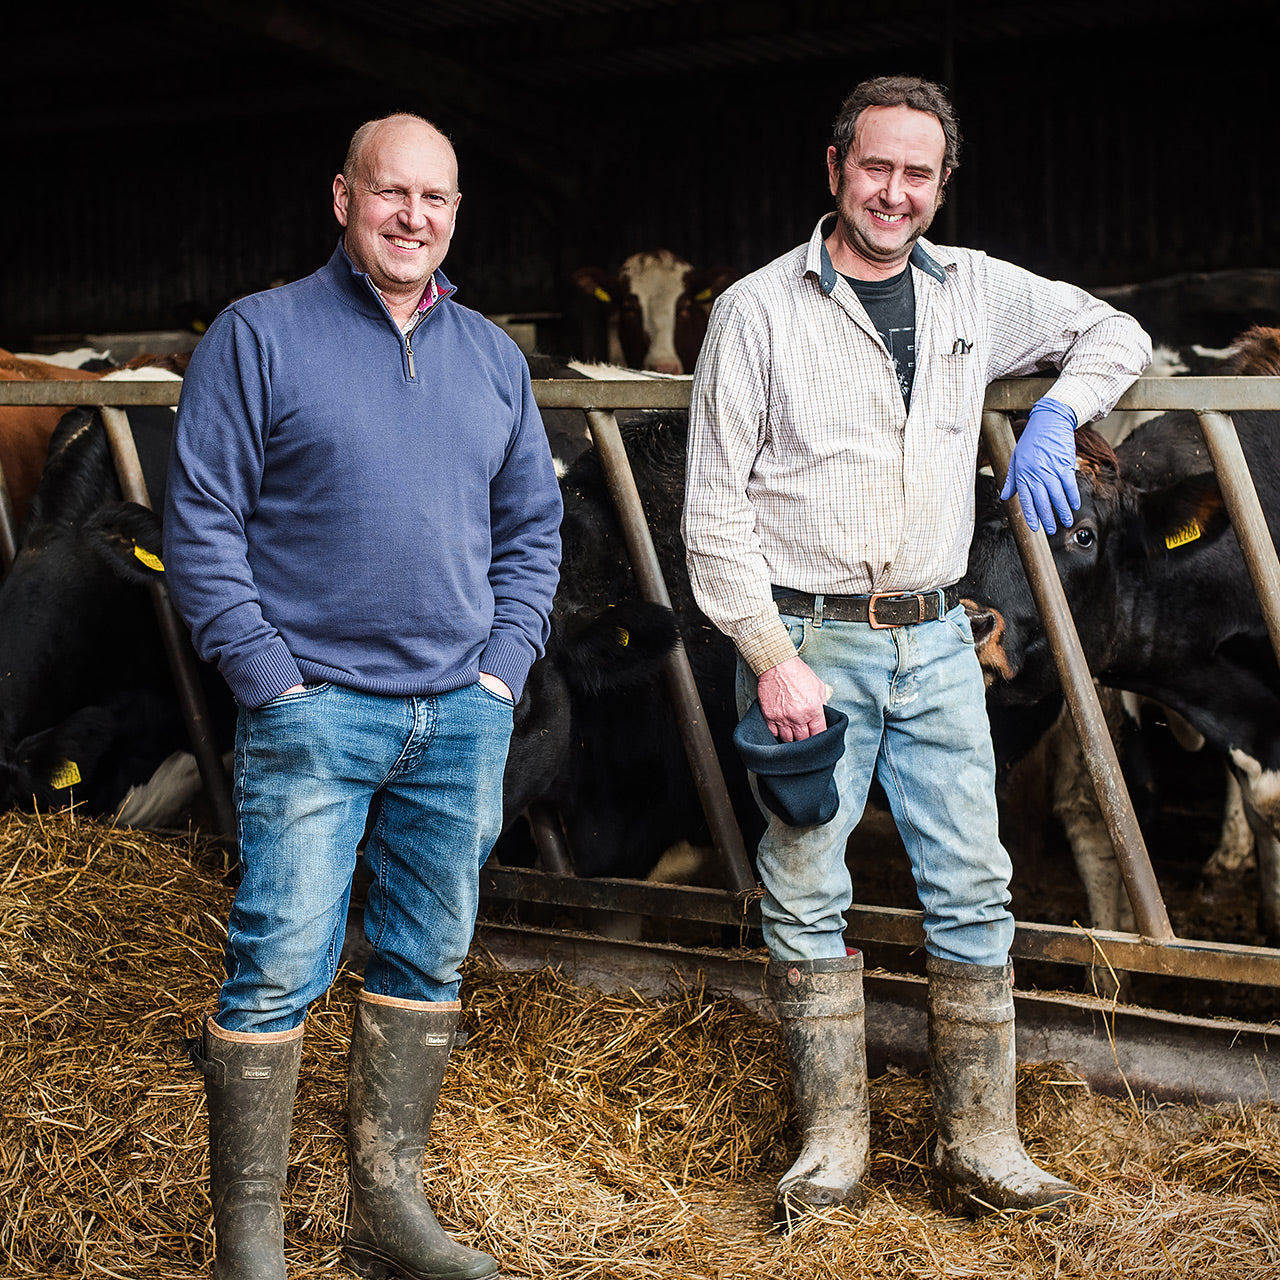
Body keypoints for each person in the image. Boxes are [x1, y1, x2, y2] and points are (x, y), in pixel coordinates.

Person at [682, 75, 1150, 1230]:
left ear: (941, 185)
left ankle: (979, 1140)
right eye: (875, 166)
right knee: (803, 883)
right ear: (834, 167)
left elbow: (1116, 330)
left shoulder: (975, 290)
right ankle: (830, 1144)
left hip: (939, 637)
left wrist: (1056, 409)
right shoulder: (756, 310)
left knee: (972, 880)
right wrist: (766, 654)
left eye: (918, 173)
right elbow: (709, 515)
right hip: (806, 639)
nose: (894, 192)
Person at [164, 113, 562, 1280]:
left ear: (454, 214)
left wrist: (502, 669)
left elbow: (532, 528)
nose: (412, 218)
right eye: (391, 194)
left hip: (459, 712)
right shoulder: (259, 334)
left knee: (426, 959)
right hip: (315, 712)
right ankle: (253, 1248)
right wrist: (267, 679)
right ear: (342, 198)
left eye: (434, 200)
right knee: (279, 961)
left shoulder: (491, 355)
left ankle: (385, 1214)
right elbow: (200, 522)